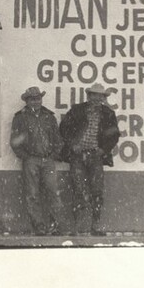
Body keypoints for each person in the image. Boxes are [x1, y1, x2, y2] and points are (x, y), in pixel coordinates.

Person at [59, 83, 121, 236]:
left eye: (100, 96)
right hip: (77, 156)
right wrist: (73, 144)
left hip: (96, 157)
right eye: (94, 95)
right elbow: (63, 129)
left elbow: (114, 135)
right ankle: (76, 227)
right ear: (89, 96)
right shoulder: (77, 110)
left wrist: (103, 150)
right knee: (78, 189)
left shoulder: (108, 113)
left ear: (103, 98)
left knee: (97, 191)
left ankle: (95, 226)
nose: (97, 99)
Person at [9, 86, 65, 235]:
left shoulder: (49, 117)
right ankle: (39, 226)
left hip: (48, 160)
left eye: (38, 99)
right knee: (32, 194)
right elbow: (15, 141)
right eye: (32, 99)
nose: (36, 102)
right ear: (27, 101)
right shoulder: (20, 118)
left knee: (53, 192)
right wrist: (26, 157)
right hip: (31, 160)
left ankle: (56, 226)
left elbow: (57, 138)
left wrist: (53, 154)